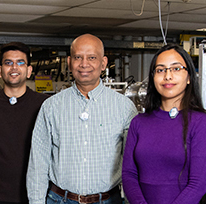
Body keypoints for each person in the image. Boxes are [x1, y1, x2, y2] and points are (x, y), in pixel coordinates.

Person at [27, 34, 137, 204]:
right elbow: (38, 164)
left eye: (92, 57)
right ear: (70, 62)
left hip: (109, 200)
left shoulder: (124, 107)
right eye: (78, 57)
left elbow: (133, 164)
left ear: (103, 63)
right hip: (60, 200)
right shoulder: (51, 107)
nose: (84, 64)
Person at [122, 45, 206, 204]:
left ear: (188, 77)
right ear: (153, 77)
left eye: (176, 68)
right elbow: (129, 174)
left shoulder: (201, 123)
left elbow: (198, 185)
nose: (168, 76)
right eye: (160, 70)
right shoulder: (139, 123)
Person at [0, 42, 50, 204]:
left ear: (29, 71)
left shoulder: (45, 105)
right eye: (8, 63)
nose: (14, 67)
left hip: (35, 196)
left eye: (20, 62)